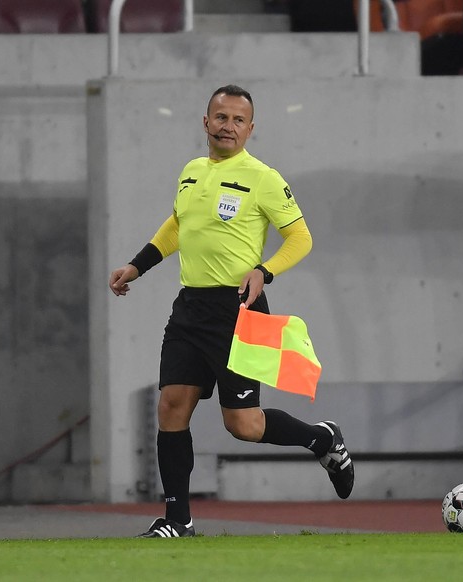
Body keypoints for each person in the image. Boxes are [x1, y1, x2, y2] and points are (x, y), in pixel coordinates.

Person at [109, 84, 354, 538]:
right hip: (190, 308)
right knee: (171, 406)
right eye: (221, 117)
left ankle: (323, 438)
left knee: (243, 425)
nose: (228, 126)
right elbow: (179, 225)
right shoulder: (191, 171)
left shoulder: (262, 177)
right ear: (206, 123)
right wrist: (136, 266)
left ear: (250, 129)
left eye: (238, 120)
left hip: (240, 310)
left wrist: (265, 271)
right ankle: (178, 520)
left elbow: (301, 237)